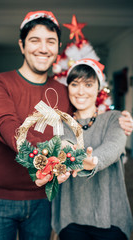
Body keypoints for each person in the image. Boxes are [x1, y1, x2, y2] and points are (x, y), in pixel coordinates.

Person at [0, 10, 133, 240]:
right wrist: (37, 159)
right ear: (21, 45)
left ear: (57, 47)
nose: (43, 48)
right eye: (34, 40)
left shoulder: (65, 92)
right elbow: (6, 125)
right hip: (0, 200)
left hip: (45, 200)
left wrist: (119, 120)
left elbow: (82, 124)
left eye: (50, 41)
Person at [51, 58, 133, 240]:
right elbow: (64, 144)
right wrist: (69, 153)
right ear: (68, 88)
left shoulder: (115, 118)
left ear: (98, 88)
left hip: (111, 217)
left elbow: (114, 146)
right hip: (70, 217)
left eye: (88, 84)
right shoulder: (62, 123)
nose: (81, 91)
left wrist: (92, 160)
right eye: (74, 84)